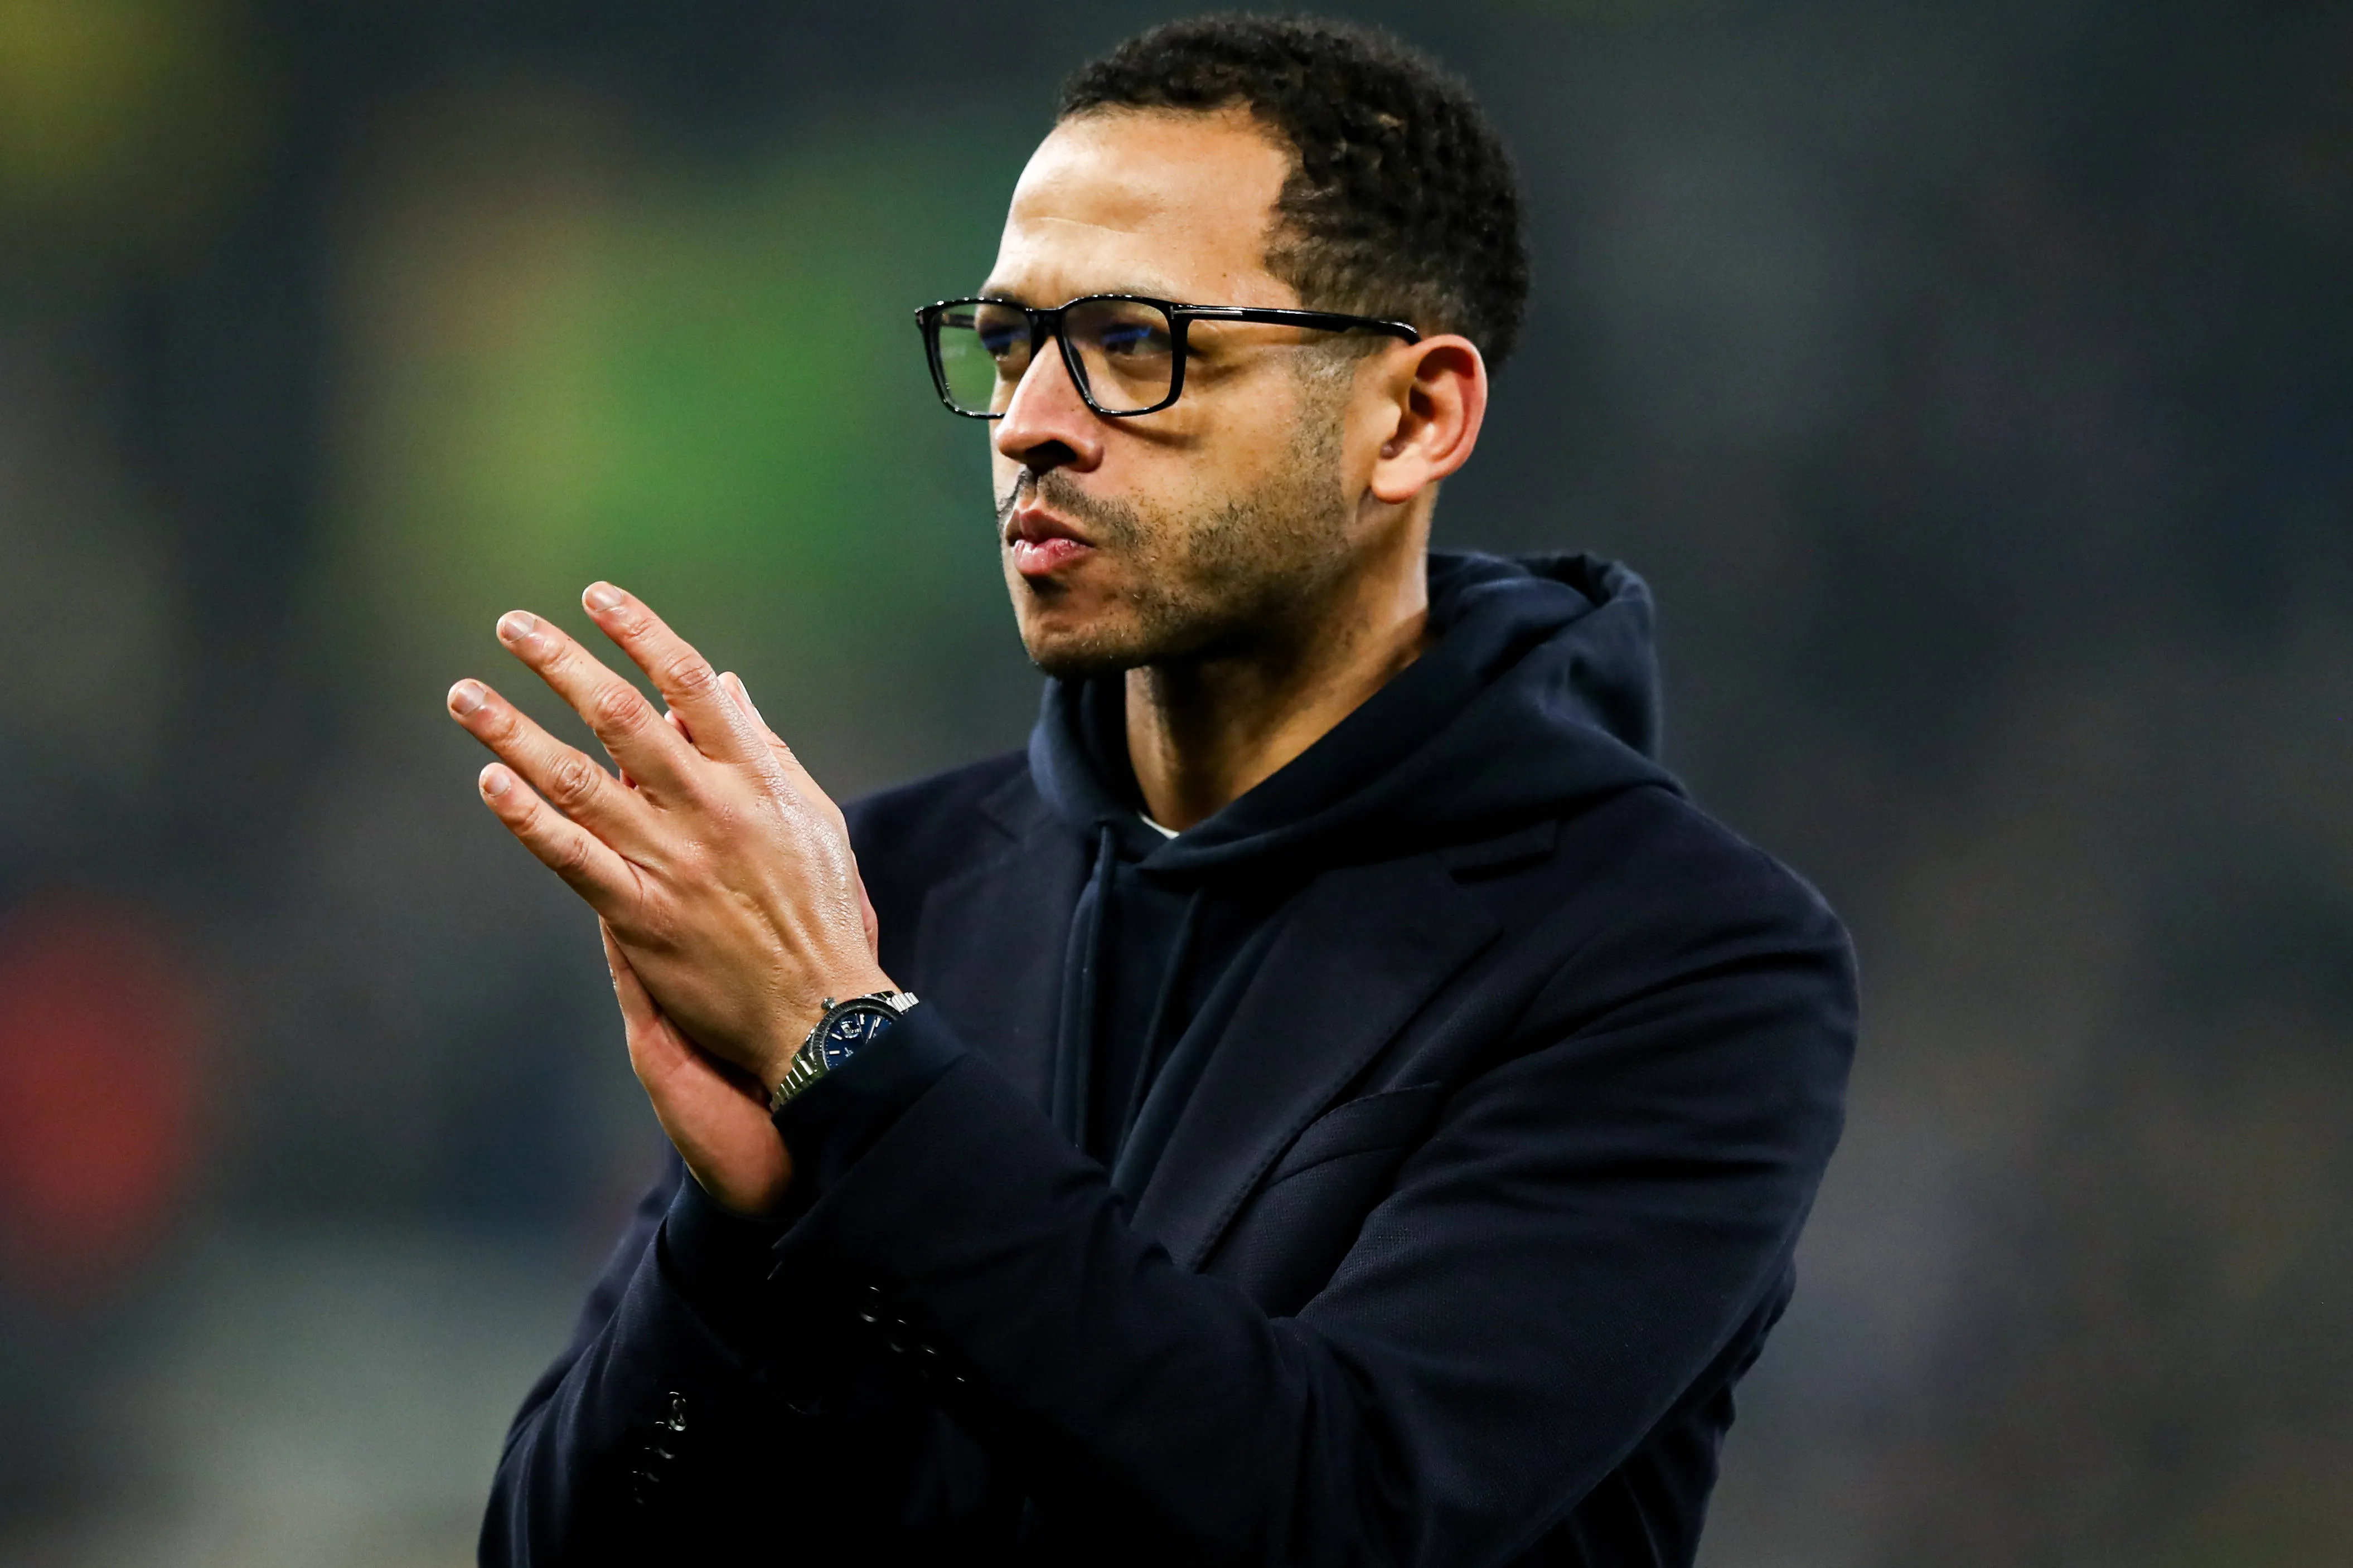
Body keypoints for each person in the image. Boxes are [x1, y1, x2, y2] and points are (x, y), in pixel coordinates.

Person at [455, 16, 1853, 1566]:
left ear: (1413, 417)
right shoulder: (884, 892)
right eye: (1005, 345)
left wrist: (854, 1063)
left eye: (1134, 345)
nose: (1033, 426)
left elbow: (1339, 1510)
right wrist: (730, 1244)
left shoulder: (1678, 956)